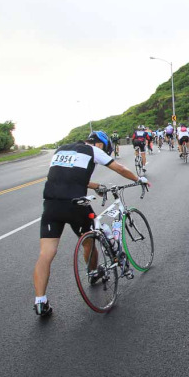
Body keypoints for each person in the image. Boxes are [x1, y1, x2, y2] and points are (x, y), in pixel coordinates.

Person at [32, 131, 148, 316]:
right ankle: (93, 272)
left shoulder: (61, 150)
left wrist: (96, 186)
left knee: (46, 253)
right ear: (100, 144)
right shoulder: (93, 150)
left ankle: (40, 301)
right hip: (75, 205)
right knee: (90, 240)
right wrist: (138, 179)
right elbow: (119, 168)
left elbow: (68, 177)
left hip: (51, 205)